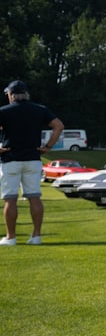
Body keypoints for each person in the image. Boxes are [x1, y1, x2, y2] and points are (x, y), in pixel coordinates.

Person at [0, 80, 64, 246]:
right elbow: (58, 126)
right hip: (33, 159)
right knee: (34, 197)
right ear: (26, 94)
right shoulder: (40, 110)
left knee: (10, 199)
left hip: (10, 159)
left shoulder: (4, 111)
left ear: (11, 95)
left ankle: (10, 237)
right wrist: (48, 147)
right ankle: (36, 236)